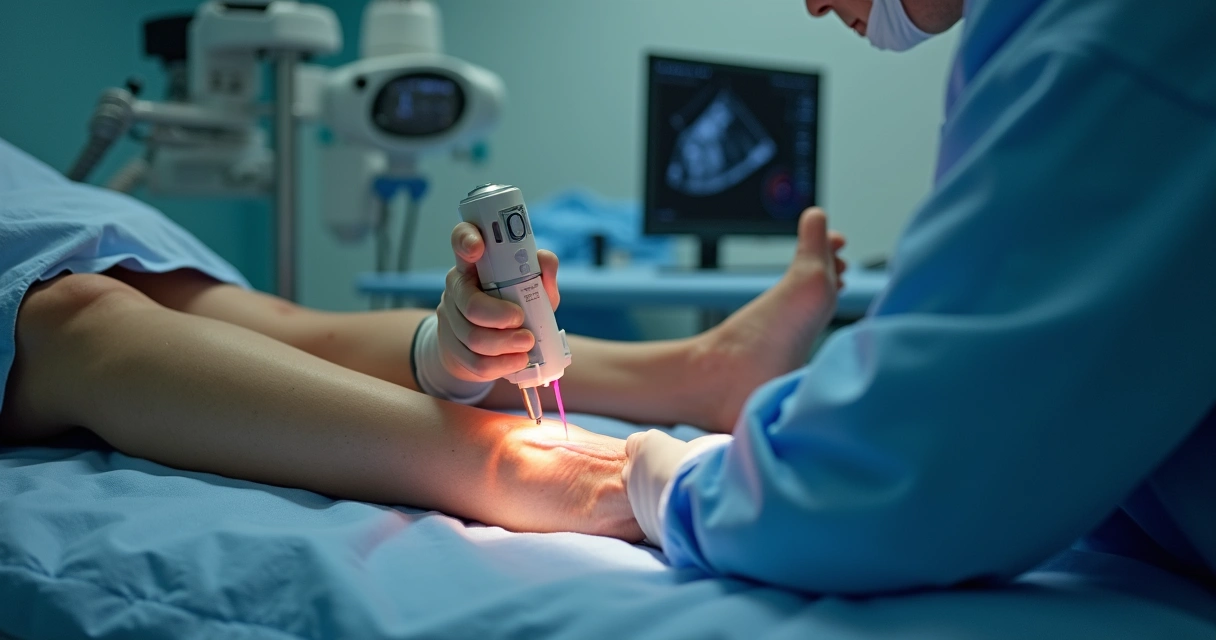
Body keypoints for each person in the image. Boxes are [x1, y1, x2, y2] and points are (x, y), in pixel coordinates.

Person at [609, 0, 1213, 597]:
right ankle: (708, 369)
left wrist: (661, 483)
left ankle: (708, 371)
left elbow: (890, 483)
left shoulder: (1116, 33)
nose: (814, 6)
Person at [0, 136, 846, 542]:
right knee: (81, 322)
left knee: (276, 325)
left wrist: (444, 360)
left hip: (65, 216)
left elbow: (299, 340)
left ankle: (701, 374)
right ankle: (507, 464)